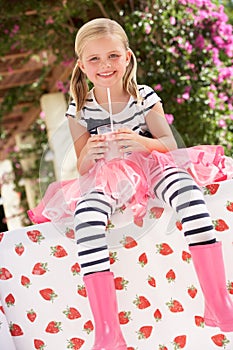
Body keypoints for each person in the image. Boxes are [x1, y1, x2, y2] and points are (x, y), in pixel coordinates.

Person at [28, 18, 233, 350]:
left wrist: (143, 142)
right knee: (87, 219)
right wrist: (91, 153)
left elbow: (169, 144)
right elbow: (82, 166)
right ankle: (110, 332)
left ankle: (218, 302)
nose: (104, 65)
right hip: (107, 176)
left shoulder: (144, 96)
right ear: (82, 65)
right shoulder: (78, 109)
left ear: (127, 57)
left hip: (152, 165)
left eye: (112, 56)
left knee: (189, 196)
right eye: (94, 59)